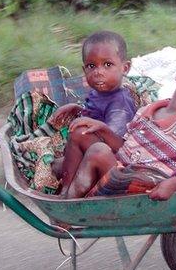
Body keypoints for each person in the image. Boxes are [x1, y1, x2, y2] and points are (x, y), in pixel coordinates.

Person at [64, 55, 176, 200]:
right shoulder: (148, 110)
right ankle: (64, 193)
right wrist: (103, 130)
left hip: (138, 190)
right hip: (120, 170)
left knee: (98, 151)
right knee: (81, 132)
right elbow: (126, 148)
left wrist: (174, 184)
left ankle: (68, 209)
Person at [47, 31, 137, 193]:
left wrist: (99, 127)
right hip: (91, 151)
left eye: (107, 65)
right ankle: (70, 177)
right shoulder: (99, 93)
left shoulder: (120, 104)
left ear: (125, 68)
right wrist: (78, 110)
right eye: (91, 66)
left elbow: (119, 146)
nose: (98, 72)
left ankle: (67, 191)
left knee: (79, 133)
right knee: (54, 165)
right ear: (84, 69)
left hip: (111, 161)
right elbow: (95, 114)